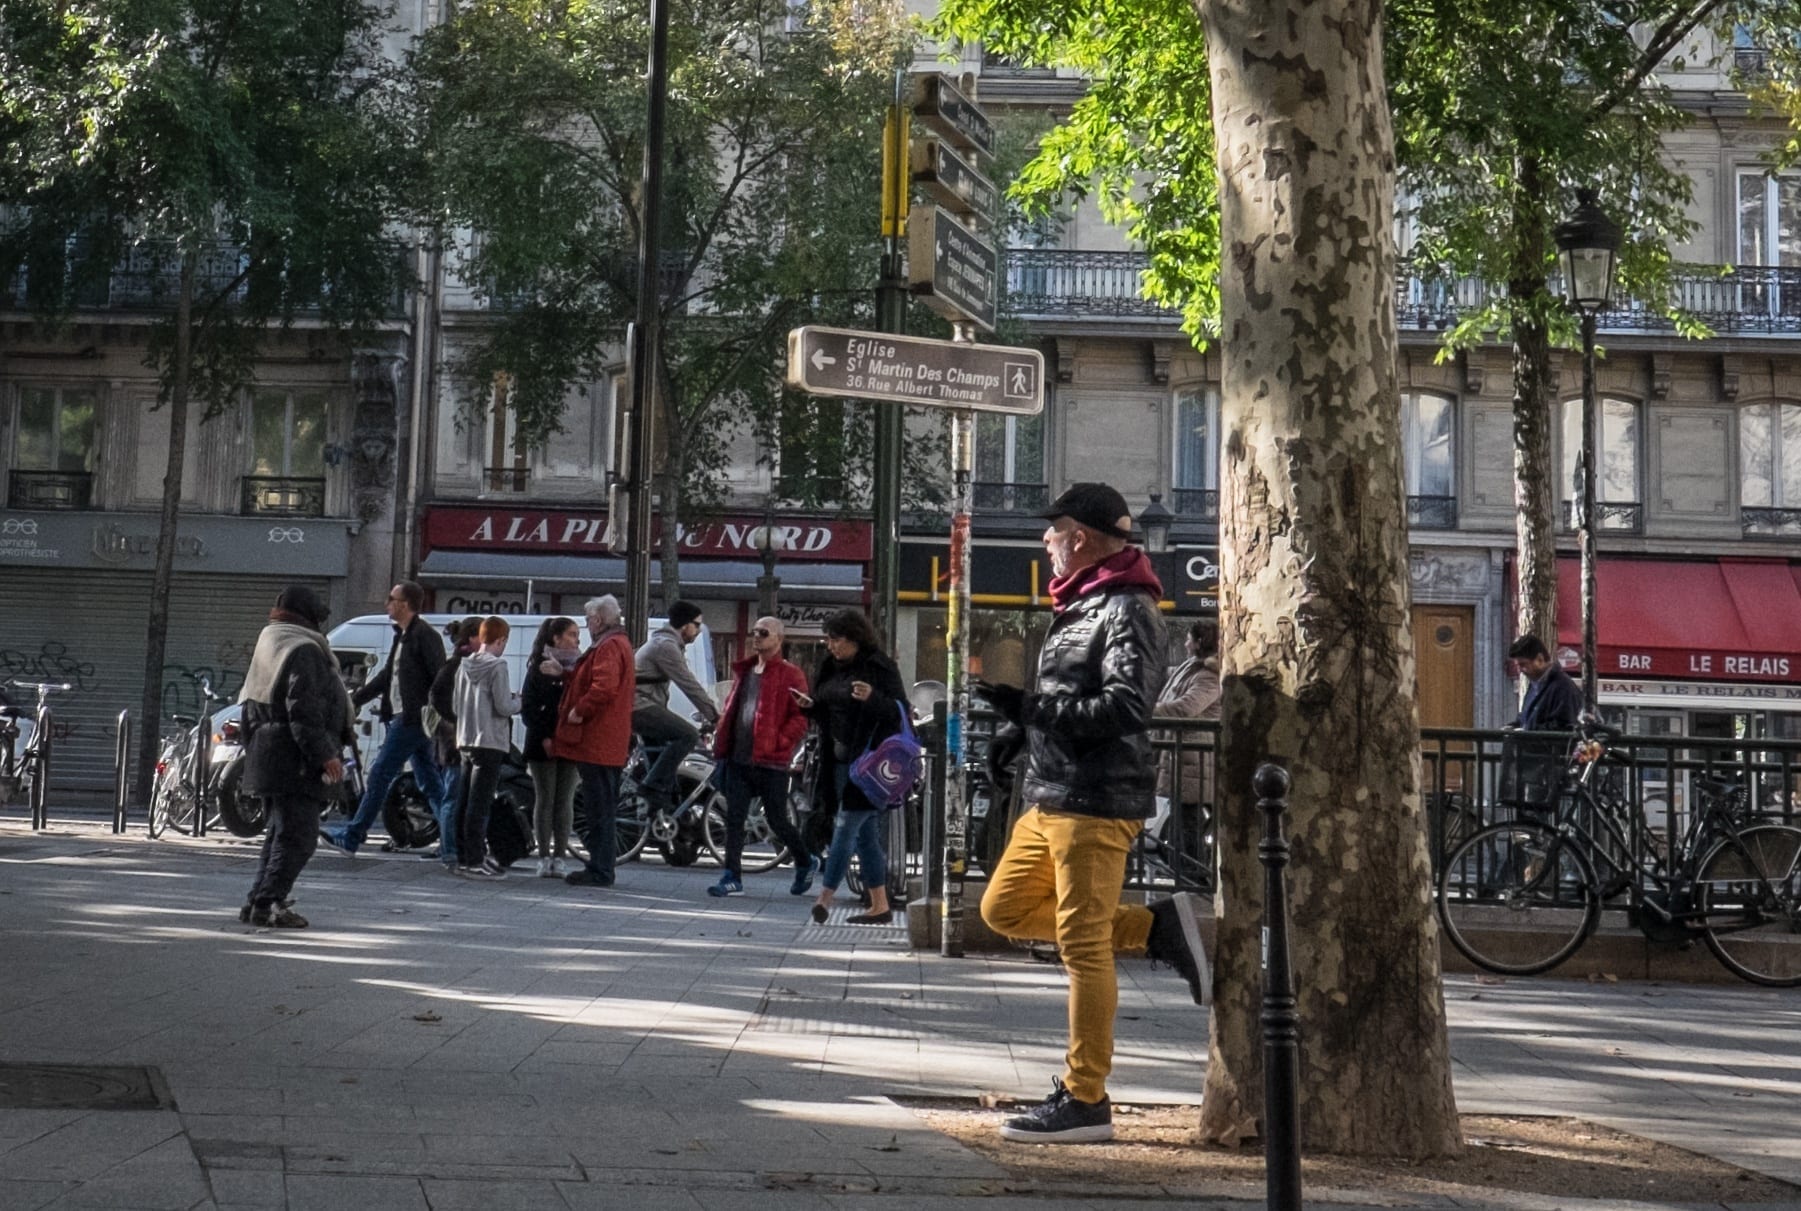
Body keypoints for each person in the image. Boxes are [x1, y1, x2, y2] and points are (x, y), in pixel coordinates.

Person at [974, 482, 1210, 1145]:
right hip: (1052, 791)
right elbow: (1064, 695)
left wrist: (1027, 710)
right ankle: (1154, 928)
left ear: (1078, 535)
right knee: (1002, 908)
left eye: (1050, 534)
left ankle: (1085, 1097)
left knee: (1081, 945)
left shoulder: (1128, 608)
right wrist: (1018, 735)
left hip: (1097, 797)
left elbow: (1124, 709)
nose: (1044, 544)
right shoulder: (1082, 603)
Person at [237, 585, 353, 928]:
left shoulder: (271, 642)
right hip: (294, 759)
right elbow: (303, 710)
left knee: (280, 834)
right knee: (299, 837)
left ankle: (258, 900)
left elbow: (249, 703)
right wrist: (325, 756)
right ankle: (269, 903)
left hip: (269, 751)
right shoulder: (302, 649)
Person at [323, 581, 454, 857]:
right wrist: (355, 699)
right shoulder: (402, 635)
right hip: (405, 717)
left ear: (404, 605)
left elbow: (440, 678)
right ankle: (452, 843)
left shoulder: (424, 636)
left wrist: (431, 712)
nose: (387, 603)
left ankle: (353, 836)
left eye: (391, 598)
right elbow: (385, 678)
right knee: (430, 782)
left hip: (411, 720)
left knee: (380, 773)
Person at [801, 608, 907, 925]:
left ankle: (825, 898)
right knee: (866, 837)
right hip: (837, 761)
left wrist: (873, 698)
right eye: (828, 639)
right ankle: (880, 905)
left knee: (845, 828)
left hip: (870, 765)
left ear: (855, 638)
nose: (831, 646)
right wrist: (810, 707)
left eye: (837, 639)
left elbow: (899, 710)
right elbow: (827, 709)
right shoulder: (831, 667)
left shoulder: (879, 667)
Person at [705, 616, 810, 899]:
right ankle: (731, 877)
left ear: (779, 639)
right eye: (754, 632)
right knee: (734, 818)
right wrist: (722, 739)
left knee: (777, 819)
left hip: (770, 762)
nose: (757, 637)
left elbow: (800, 716)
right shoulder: (747, 670)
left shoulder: (791, 674)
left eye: (764, 633)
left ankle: (804, 860)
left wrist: (781, 742)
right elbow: (733, 708)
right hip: (739, 758)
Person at [556, 595, 635, 888]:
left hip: (598, 740)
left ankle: (600, 869)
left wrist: (579, 710)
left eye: (588, 620)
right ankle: (600, 866)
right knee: (601, 806)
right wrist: (565, 674)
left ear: (598, 621)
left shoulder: (608, 646)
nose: (587, 625)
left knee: (598, 808)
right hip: (608, 741)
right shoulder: (618, 643)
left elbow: (603, 688)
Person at [632, 600, 720, 813]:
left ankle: (661, 817)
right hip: (639, 707)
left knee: (664, 767)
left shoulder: (667, 644)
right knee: (688, 735)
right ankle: (649, 787)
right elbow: (688, 683)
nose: (698, 630)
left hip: (645, 705)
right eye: (697, 625)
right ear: (685, 624)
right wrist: (716, 716)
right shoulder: (666, 646)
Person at [452, 616, 520, 879]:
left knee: (464, 800)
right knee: (480, 803)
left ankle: (461, 854)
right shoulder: (497, 666)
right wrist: (519, 702)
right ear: (501, 639)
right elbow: (503, 706)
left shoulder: (464, 665)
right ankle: (475, 859)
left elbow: (457, 705)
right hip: (490, 740)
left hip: (466, 737)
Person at [522, 616, 582, 877]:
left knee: (565, 799)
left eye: (577, 634)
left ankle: (560, 854)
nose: (576, 639)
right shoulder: (539, 667)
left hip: (569, 740)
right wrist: (545, 735)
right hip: (542, 741)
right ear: (555, 637)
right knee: (546, 797)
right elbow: (530, 709)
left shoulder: (578, 667)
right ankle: (544, 854)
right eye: (571, 634)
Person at [420, 616, 480, 863]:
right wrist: (455, 720)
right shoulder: (457, 664)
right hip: (454, 742)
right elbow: (436, 695)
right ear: (472, 638)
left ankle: (453, 846)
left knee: (456, 796)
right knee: (452, 797)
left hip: (460, 740)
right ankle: (449, 849)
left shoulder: (468, 662)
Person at [1154, 617, 1221, 829]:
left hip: (1194, 759)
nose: (1185, 644)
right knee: (1183, 819)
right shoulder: (1191, 667)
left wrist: (1149, 712)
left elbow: (1185, 707)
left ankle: (1190, 863)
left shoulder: (1209, 675)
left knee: (1190, 822)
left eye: (1188, 639)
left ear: (1199, 642)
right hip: (1184, 757)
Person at [1509, 634, 1581, 731]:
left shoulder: (1563, 687)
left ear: (1540, 659)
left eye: (1523, 664)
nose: (1520, 670)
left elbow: (1564, 728)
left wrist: (1526, 730)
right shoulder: (1535, 685)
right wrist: (1514, 726)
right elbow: (1527, 718)